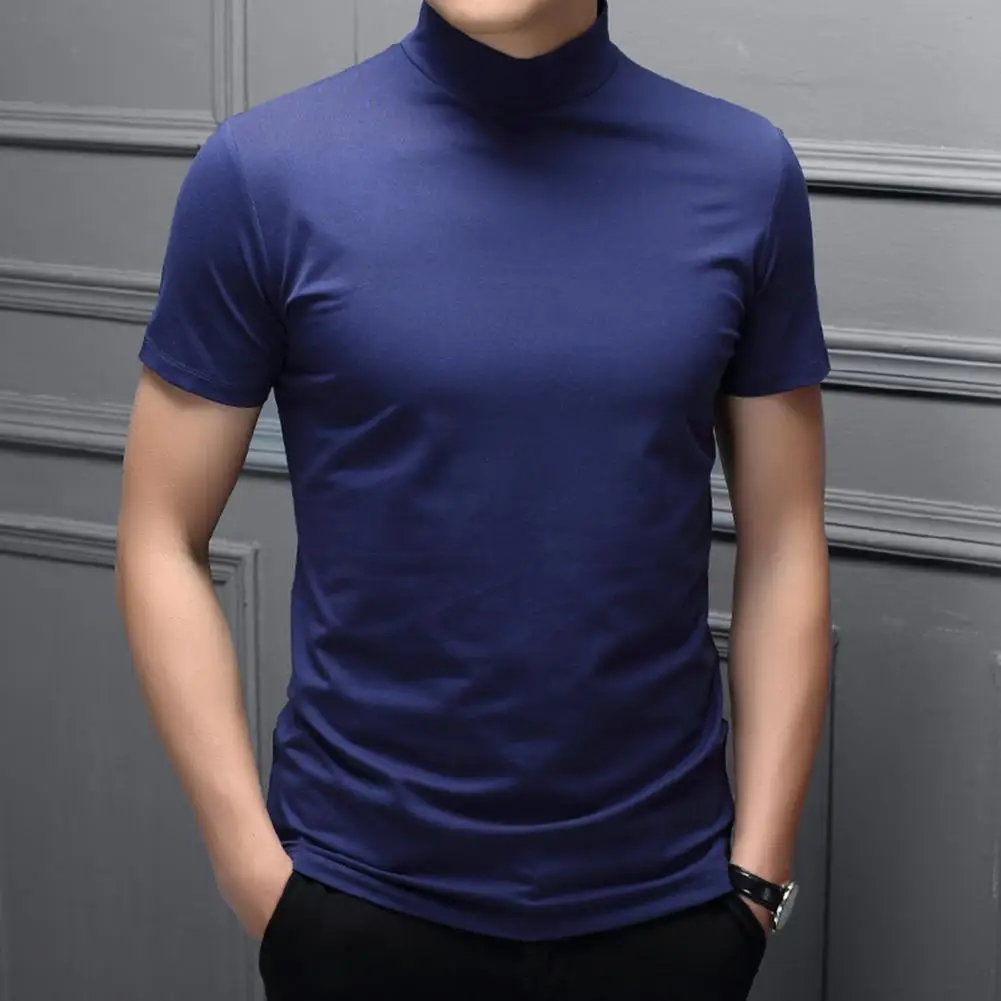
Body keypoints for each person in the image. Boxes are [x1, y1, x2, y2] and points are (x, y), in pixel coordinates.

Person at [115, 1, 832, 998]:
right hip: (356, 901)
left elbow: (786, 538)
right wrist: (256, 871)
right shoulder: (262, 173)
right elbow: (158, 532)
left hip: (667, 908)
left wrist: (755, 877)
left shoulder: (743, 173)